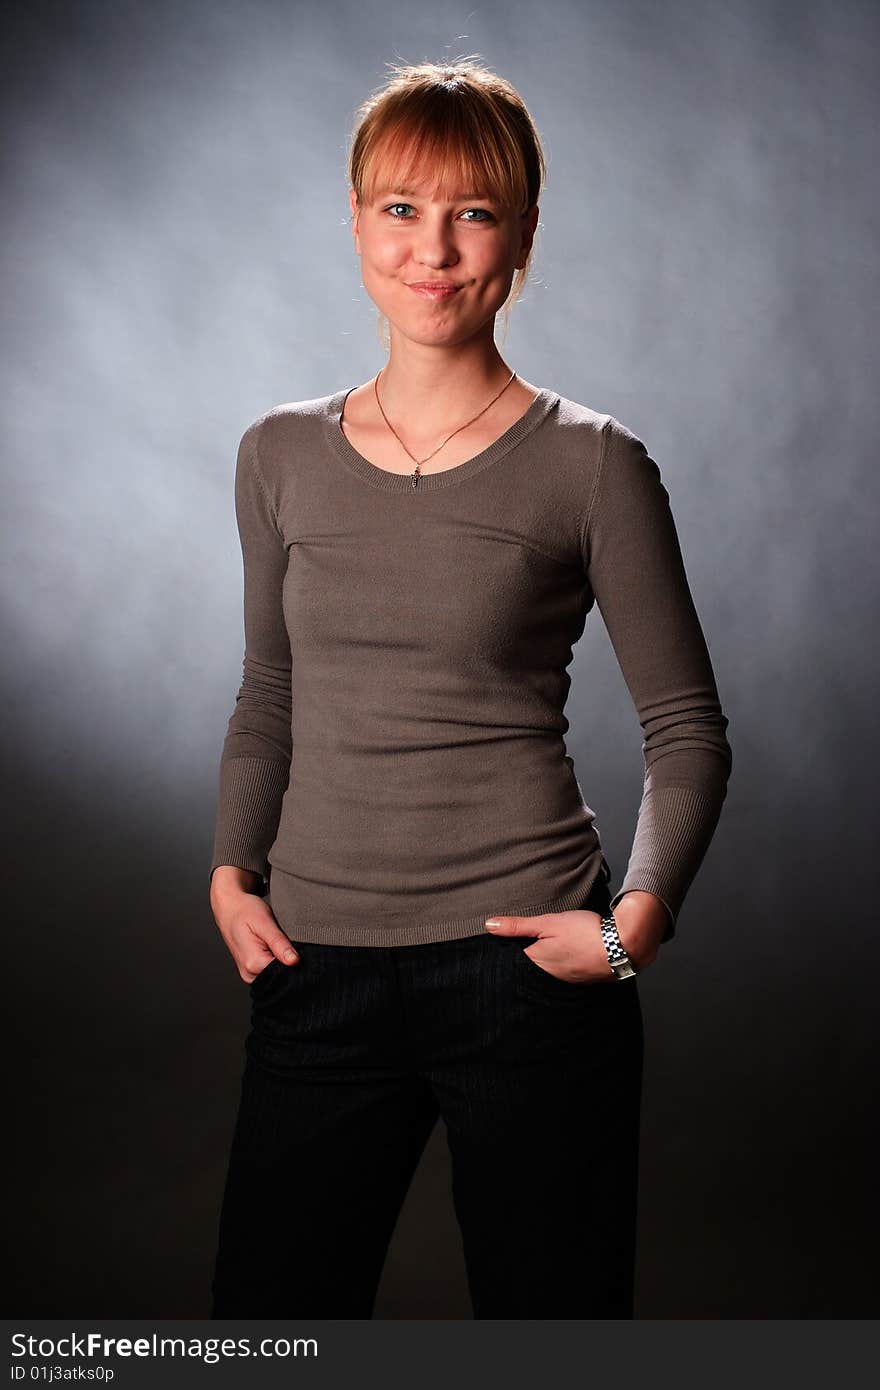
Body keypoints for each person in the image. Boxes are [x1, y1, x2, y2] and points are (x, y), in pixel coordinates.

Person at [207, 56, 732, 1320]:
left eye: (473, 212)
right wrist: (230, 875)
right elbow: (269, 690)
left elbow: (685, 731)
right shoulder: (277, 453)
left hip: (526, 978)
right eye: (400, 208)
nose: (432, 249)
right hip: (314, 969)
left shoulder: (594, 465)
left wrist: (632, 926)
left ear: (524, 235)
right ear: (354, 222)